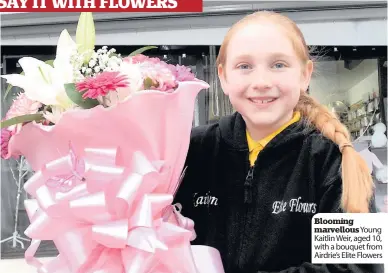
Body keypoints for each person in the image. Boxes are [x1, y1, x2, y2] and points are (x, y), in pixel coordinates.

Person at [174, 10, 383, 273]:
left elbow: (357, 268)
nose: (261, 82)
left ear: (305, 75)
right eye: (244, 66)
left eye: (279, 65)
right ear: (223, 77)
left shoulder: (336, 159)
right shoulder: (192, 149)